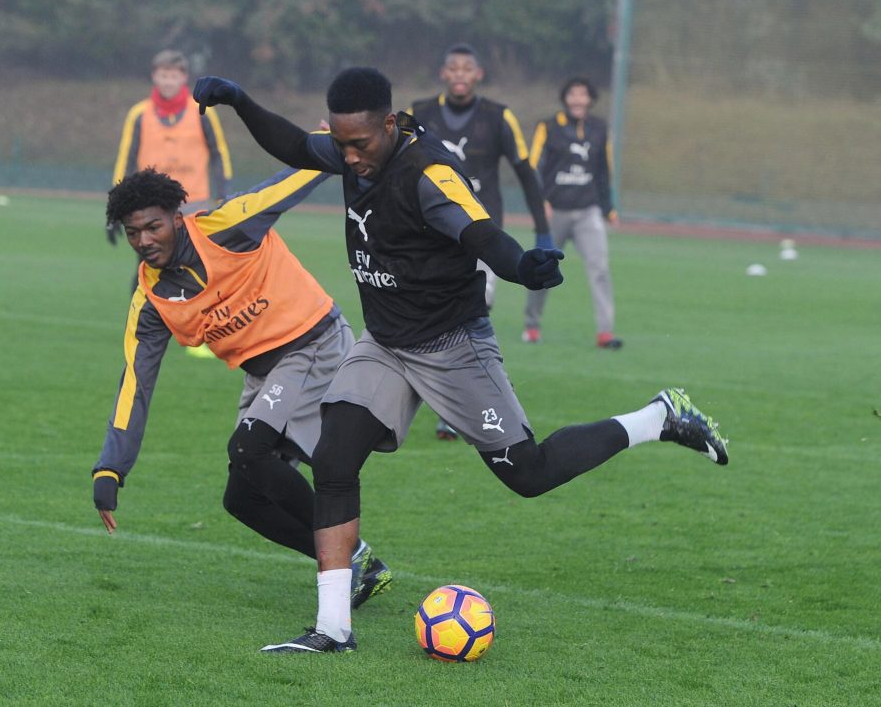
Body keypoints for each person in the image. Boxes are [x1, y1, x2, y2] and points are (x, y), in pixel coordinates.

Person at [193, 67, 729, 654]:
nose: (349, 157)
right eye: (341, 145)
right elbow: (295, 144)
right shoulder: (355, 151)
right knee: (333, 460)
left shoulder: (428, 173)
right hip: (385, 344)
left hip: (452, 346)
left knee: (529, 474)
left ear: (392, 124)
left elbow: (481, 235)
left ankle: (659, 416)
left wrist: (523, 267)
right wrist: (241, 101)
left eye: (360, 144)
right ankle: (332, 630)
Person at [91, 167, 392, 610]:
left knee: (248, 449)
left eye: (152, 226)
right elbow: (135, 381)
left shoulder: (225, 228)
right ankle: (354, 563)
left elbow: (281, 188)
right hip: (265, 373)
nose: (144, 240)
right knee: (242, 498)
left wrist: (331, 147)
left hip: (313, 343)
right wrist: (111, 466)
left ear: (177, 217)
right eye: (133, 232)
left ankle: (350, 560)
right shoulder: (151, 298)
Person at [409, 43, 551, 441]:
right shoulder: (420, 114)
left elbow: (525, 171)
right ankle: (443, 395)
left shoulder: (497, 116)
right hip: (428, 235)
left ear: (478, 75)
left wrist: (542, 229)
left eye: (466, 68)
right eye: (452, 67)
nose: (459, 73)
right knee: (428, 313)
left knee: (473, 309)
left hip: (480, 233)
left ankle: (455, 407)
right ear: (443, 73)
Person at [109, 49, 234, 359]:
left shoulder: (202, 111)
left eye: (173, 75)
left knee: (200, 269)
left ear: (183, 78)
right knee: (145, 266)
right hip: (149, 206)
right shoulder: (139, 114)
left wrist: (224, 196)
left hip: (194, 203)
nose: (167, 80)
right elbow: (126, 157)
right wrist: (115, 207)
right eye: (162, 74)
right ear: (155, 76)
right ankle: (141, 328)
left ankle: (204, 333)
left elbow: (219, 153)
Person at [522, 75, 622, 349]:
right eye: (573, 94)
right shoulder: (548, 127)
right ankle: (531, 325)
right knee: (543, 267)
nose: (578, 99)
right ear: (565, 98)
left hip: (588, 210)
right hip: (555, 212)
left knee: (600, 268)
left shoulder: (600, 128)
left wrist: (608, 208)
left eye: (583, 94)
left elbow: (604, 170)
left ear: (590, 99)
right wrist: (540, 201)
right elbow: (534, 166)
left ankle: (605, 333)